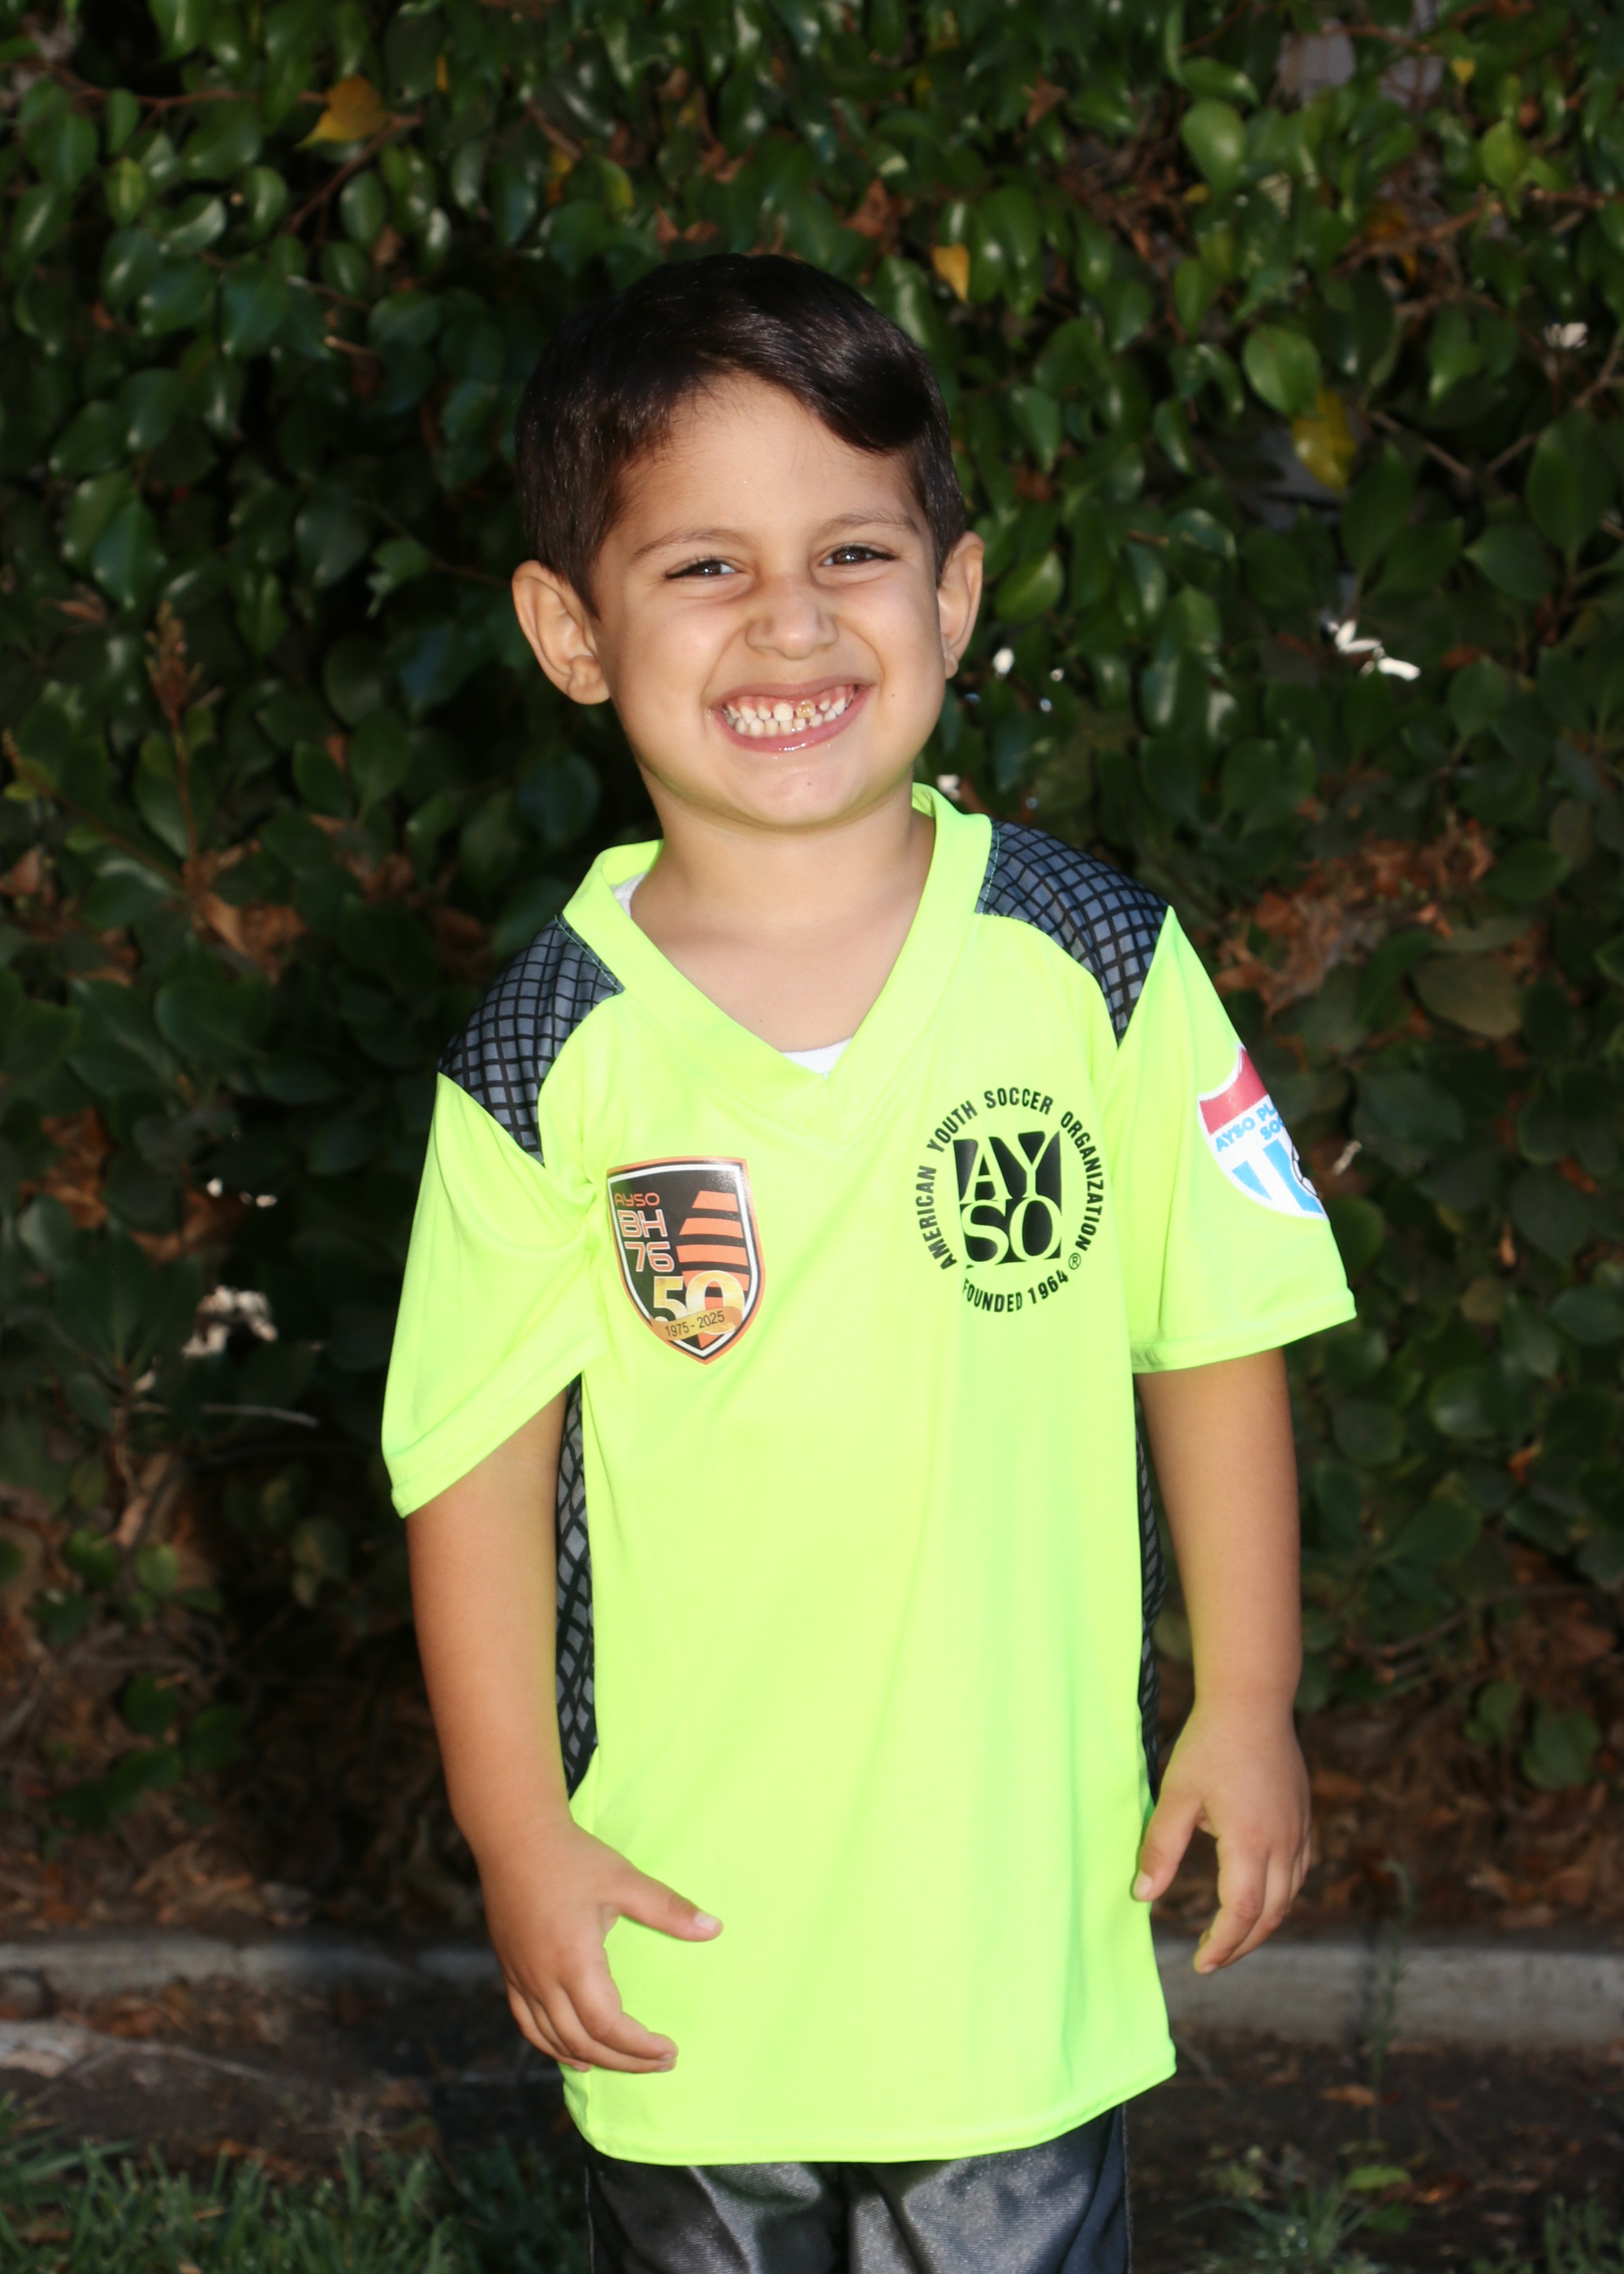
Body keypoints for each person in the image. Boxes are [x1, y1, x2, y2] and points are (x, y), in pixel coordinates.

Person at [382, 253, 1354, 2272]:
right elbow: (470, 1460)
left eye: (851, 551)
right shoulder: (548, 1048)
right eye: (703, 567)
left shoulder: (1093, 967)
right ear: (570, 631)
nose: (792, 619)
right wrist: (515, 1825)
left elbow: (1215, 1331)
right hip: (688, 1922)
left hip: (1009, 1916)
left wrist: (1246, 1692)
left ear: (955, 593)